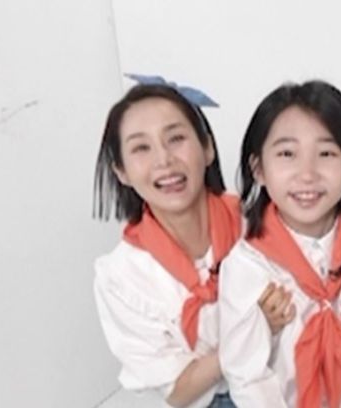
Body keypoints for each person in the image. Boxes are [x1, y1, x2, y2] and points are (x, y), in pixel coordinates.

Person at [219, 80, 341, 408]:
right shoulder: (247, 266)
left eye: (326, 153)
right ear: (259, 170)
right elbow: (246, 374)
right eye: (287, 154)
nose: (307, 174)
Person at [93, 81, 294, 408]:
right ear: (122, 171)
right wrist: (252, 330)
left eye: (176, 138)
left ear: (207, 148)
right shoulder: (121, 276)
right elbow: (178, 391)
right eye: (141, 148)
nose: (164, 160)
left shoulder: (260, 224)